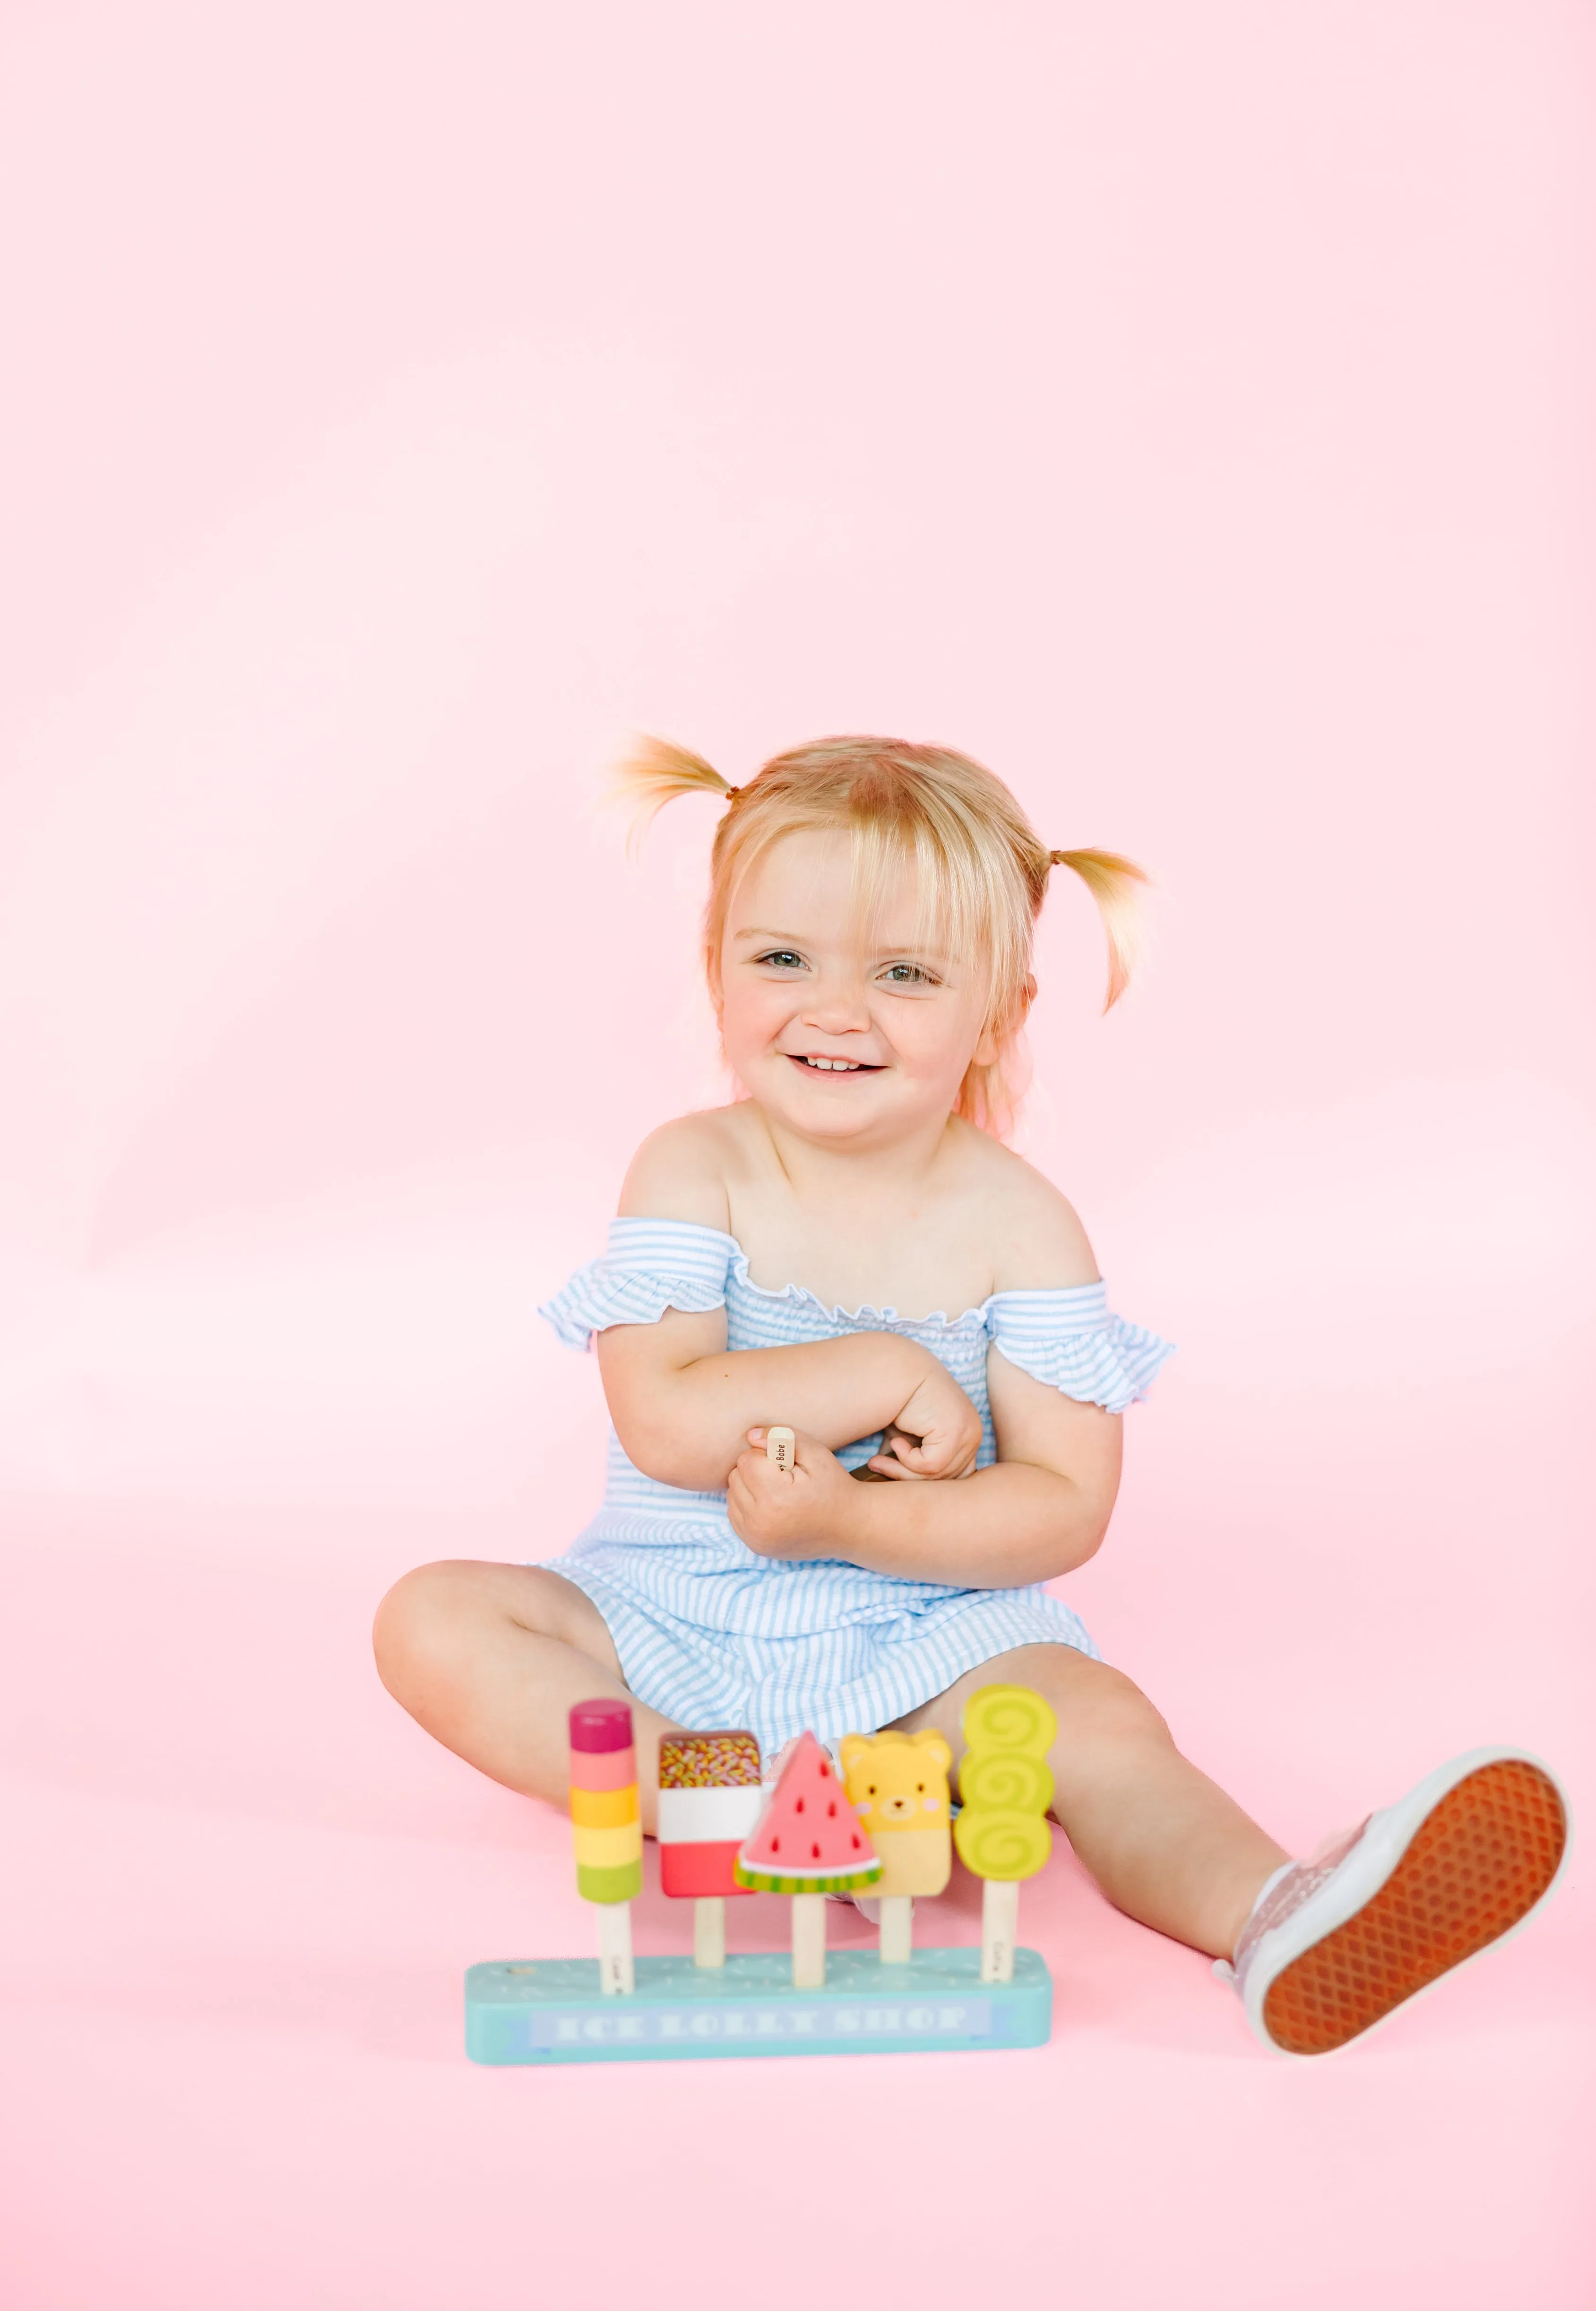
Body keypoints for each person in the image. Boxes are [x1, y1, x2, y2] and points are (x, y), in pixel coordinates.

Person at [374, 734, 1567, 2055]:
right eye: (782, 959)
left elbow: (1062, 1506)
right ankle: (725, 1791)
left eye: (904, 974)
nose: (835, 1010)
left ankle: (1274, 1914)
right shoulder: (692, 1169)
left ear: (997, 1011)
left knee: (1100, 1726)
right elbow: (666, 1422)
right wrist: (884, 1370)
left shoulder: (1021, 1227)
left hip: (922, 1644)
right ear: (716, 969)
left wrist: (854, 1528)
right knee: (433, 1619)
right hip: (669, 1621)